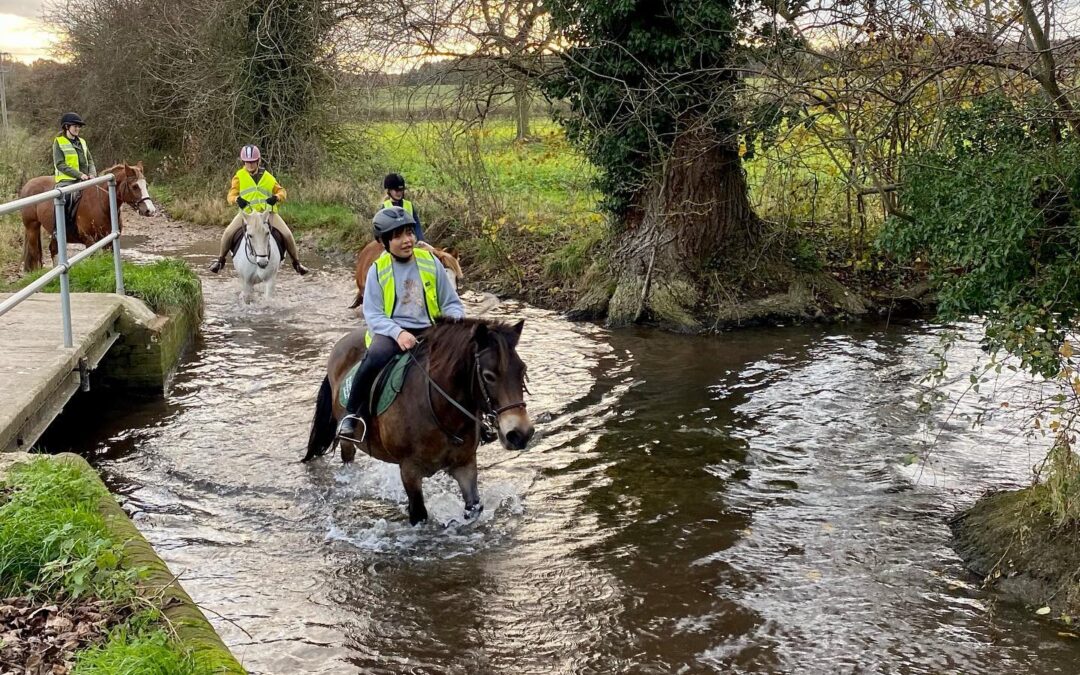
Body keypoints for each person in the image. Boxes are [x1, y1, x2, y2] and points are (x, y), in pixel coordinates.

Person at [338, 206, 465, 440]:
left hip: (431, 329)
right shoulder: (378, 270)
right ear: (384, 241)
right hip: (391, 332)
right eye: (398, 236)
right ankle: (352, 414)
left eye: (409, 233)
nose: (407, 240)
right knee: (374, 358)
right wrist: (398, 334)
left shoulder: (430, 262)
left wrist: (454, 326)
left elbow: (452, 303)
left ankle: (480, 418)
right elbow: (373, 314)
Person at [209, 145, 309, 275]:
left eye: (252, 162)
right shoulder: (239, 177)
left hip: (267, 214)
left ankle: (296, 263)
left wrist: (276, 197)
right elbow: (230, 195)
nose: (249, 165)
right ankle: (220, 261)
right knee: (227, 233)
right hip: (247, 214)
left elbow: (282, 191)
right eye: (247, 162)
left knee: (288, 234)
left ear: (258, 161)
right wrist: (237, 199)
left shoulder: (268, 177)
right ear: (243, 162)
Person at [53, 112, 96, 226]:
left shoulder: (82, 142)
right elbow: (60, 164)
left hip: (85, 179)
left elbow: (90, 160)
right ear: (67, 127)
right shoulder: (59, 142)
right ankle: (58, 229)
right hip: (67, 181)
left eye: (79, 127)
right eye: (75, 126)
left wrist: (92, 173)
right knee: (65, 199)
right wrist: (79, 175)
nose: (78, 129)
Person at [381, 172, 433, 250]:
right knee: (383, 257)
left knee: (433, 253)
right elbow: (382, 229)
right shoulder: (385, 207)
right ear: (389, 191)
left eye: (401, 190)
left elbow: (416, 224)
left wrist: (420, 239)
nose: (399, 193)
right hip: (394, 243)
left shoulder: (409, 205)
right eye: (396, 190)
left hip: (410, 240)